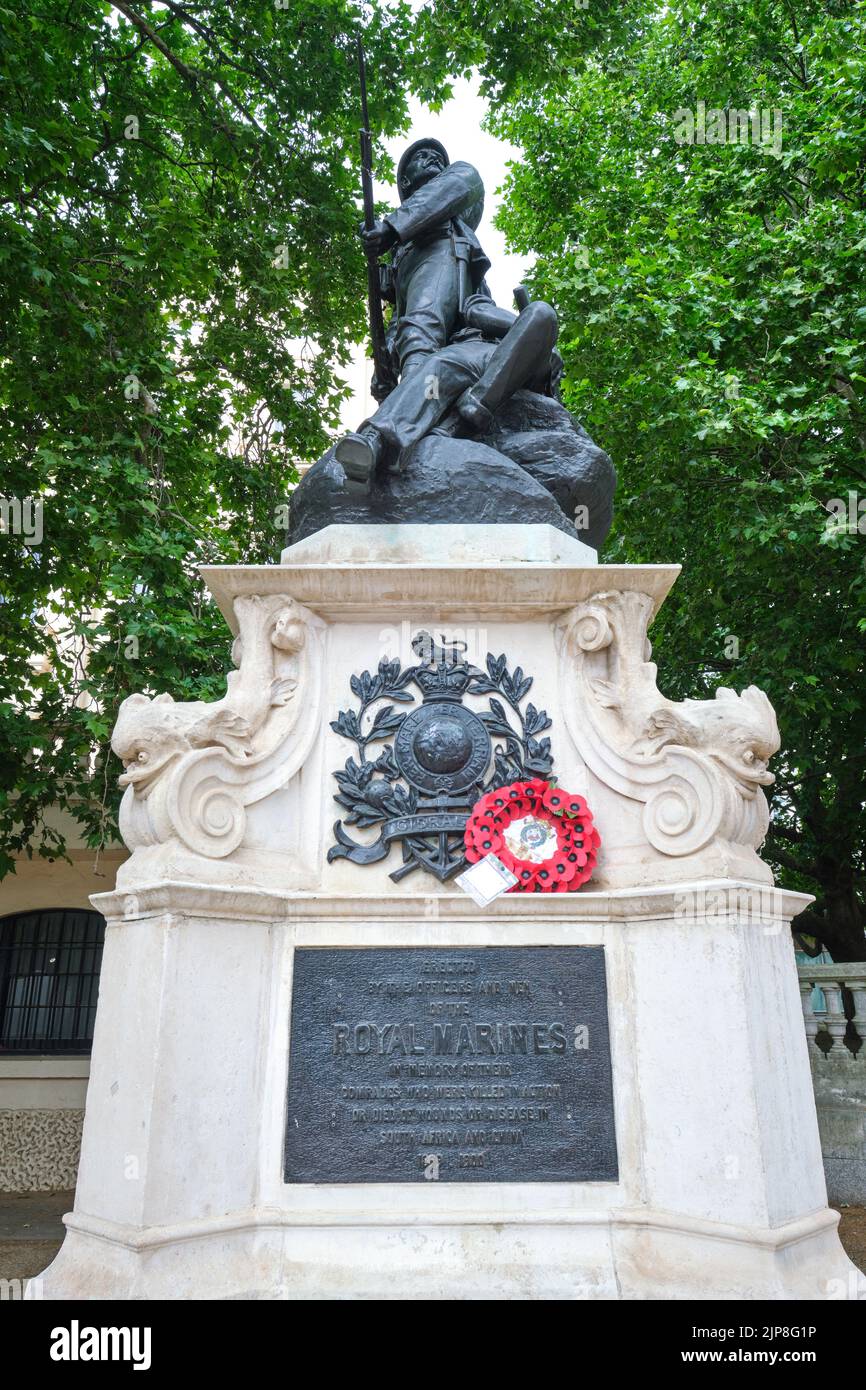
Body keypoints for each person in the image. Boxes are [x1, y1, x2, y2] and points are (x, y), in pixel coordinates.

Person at [335, 138, 560, 490]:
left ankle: (446, 419)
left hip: (493, 354)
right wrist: (386, 371)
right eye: (421, 158)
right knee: (435, 366)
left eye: (437, 156)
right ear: (405, 184)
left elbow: (464, 179)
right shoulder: (405, 265)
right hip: (458, 361)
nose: (432, 159)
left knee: (542, 314)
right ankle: (384, 441)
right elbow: (410, 329)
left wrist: (391, 227)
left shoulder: (456, 204)